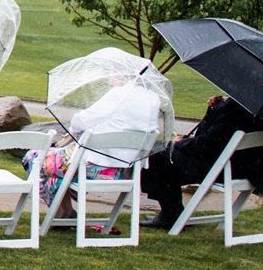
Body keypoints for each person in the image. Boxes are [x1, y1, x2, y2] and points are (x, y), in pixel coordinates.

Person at [22, 77, 164, 215]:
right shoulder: (153, 99)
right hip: (125, 172)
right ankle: (67, 212)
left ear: (124, 77)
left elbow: (80, 120)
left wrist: (74, 131)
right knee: (57, 160)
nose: (111, 78)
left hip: (93, 170)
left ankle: (59, 211)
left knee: (34, 157)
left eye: (114, 75)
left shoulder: (120, 94)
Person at [142, 94, 263, 230]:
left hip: (225, 167)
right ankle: (171, 212)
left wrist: (180, 143)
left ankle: (170, 214)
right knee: (166, 155)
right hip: (252, 166)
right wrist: (217, 107)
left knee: (156, 154)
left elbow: (209, 143)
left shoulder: (236, 107)